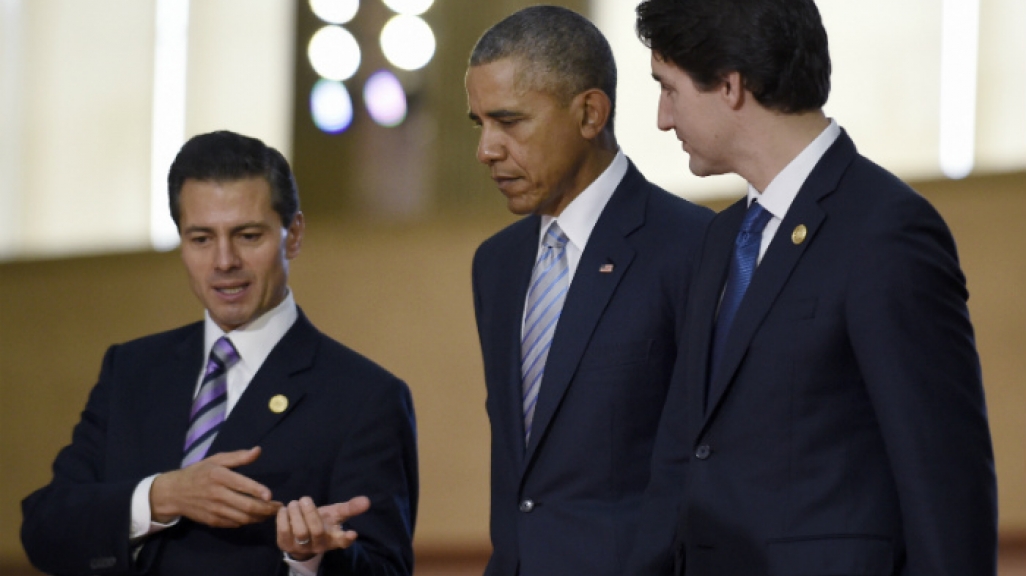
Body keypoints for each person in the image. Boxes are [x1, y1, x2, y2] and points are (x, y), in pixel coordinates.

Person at [628, 0, 998, 574]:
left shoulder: (887, 231)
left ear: (729, 86)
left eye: (669, 88)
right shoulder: (722, 238)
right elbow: (685, 450)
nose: (662, 118)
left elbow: (945, 478)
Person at [21, 130, 418, 576]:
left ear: (293, 236)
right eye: (201, 239)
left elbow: (386, 569)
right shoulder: (131, 371)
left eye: (247, 236)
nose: (224, 261)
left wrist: (309, 558)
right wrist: (162, 495)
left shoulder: (364, 397)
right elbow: (45, 526)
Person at [465, 6, 713, 576]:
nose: (486, 150)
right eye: (479, 124)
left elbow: (706, 464)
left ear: (589, 113)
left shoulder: (695, 247)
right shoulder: (495, 266)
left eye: (509, 121)